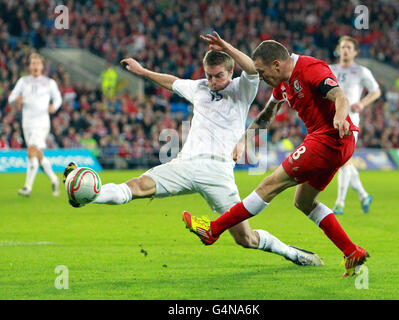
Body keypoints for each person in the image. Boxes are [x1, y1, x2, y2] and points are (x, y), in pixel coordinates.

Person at [63, 32, 324, 267]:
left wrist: (226, 46)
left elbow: (252, 68)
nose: (212, 81)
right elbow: (172, 82)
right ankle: (88, 194)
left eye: (218, 75)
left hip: (218, 171)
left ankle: (292, 253)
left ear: (230, 72)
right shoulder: (199, 87)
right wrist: (143, 73)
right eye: (208, 75)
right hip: (185, 164)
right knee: (135, 187)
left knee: (246, 239)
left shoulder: (242, 89)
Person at [183, 40, 369, 277]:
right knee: (303, 202)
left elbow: (340, 97)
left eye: (261, 72)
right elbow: (266, 115)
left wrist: (340, 118)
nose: (259, 77)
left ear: (276, 64)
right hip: (334, 143)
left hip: (331, 138)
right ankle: (352, 252)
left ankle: (213, 230)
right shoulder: (282, 85)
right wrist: (244, 139)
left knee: (268, 185)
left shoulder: (311, 68)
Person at [330, 36, 381, 215]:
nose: (345, 50)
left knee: (343, 161)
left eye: (349, 47)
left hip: (351, 120)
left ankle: (340, 203)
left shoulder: (361, 71)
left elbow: (376, 91)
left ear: (355, 52)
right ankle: (363, 195)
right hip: (331, 119)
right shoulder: (330, 69)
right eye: (342, 47)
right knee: (343, 162)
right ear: (338, 49)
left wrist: (363, 103)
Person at [8, 53, 62, 197]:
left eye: (38, 63)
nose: (36, 66)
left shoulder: (49, 82)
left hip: (42, 122)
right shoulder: (23, 81)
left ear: (42, 66)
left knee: (31, 150)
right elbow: (11, 98)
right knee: (37, 154)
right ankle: (54, 179)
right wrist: (16, 99)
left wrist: (54, 107)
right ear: (29, 66)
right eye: (33, 63)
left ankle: (27, 187)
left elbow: (58, 98)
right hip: (27, 123)